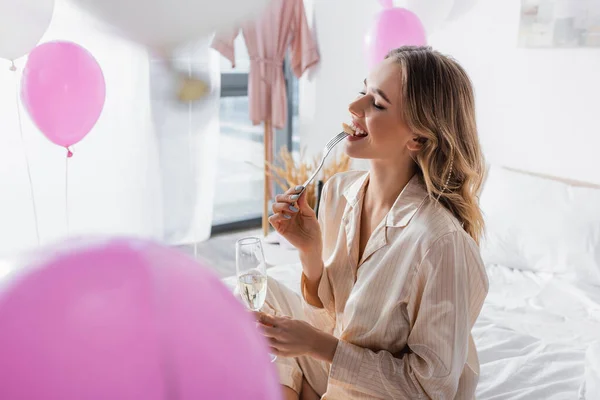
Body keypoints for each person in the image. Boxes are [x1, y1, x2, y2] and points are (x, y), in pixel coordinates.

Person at [258, 46, 489, 400]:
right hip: (340, 370)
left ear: (418, 137)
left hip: (387, 393)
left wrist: (320, 347)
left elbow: (431, 389)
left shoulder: (440, 242)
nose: (354, 108)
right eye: (362, 91)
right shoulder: (337, 192)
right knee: (260, 298)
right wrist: (310, 252)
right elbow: (339, 325)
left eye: (377, 104)